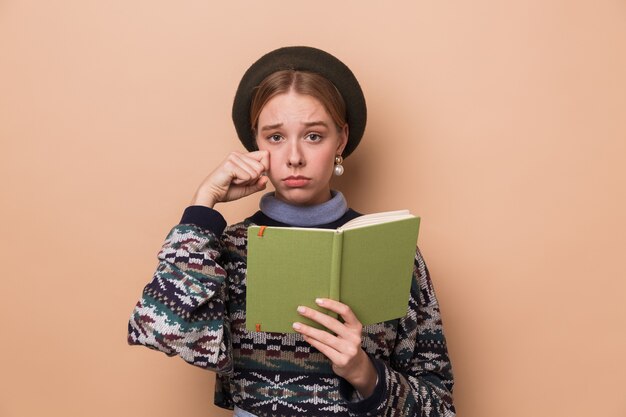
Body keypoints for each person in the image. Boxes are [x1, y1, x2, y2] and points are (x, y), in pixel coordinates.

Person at [128, 46, 455, 417]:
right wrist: (204, 203)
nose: (295, 156)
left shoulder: (390, 248)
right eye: (276, 137)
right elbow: (161, 327)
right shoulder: (227, 248)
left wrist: (366, 374)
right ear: (256, 143)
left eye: (314, 136)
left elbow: (440, 407)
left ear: (341, 140)